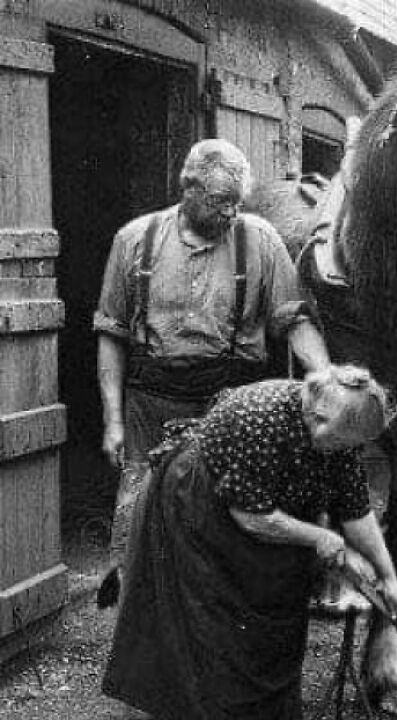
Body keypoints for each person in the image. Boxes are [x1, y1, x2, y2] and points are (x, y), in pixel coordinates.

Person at [101, 366, 397, 720]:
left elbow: (355, 510)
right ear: (318, 418)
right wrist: (320, 537)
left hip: (269, 510)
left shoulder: (339, 431)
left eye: (349, 447)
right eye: (339, 443)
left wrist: (389, 579)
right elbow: (252, 517)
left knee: (282, 612)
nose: (344, 453)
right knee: (225, 620)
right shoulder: (259, 416)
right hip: (200, 503)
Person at [93, 138, 330, 607]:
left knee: (233, 520)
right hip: (151, 404)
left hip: (230, 401)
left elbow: (293, 319)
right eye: (221, 202)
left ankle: (223, 621)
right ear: (189, 188)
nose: (231, 214)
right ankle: (140, 615)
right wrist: (113, 421)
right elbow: (111, 335)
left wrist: (323, 374)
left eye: (237, 203)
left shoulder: (260, 240)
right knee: (140, 515)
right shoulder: (134, 240)